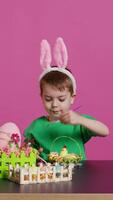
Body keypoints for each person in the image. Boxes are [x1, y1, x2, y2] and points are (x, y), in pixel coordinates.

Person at [24, 37, 109, 161]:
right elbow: (28, 149)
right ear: (41, 97)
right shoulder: (36, 126)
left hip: (78, 176)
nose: (54, 104)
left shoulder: (78, 123)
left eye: (61, 99)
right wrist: (31, 151)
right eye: (48, 99)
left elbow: (105, 131)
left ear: (72, 98)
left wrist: (80, 120)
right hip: (47, 177)